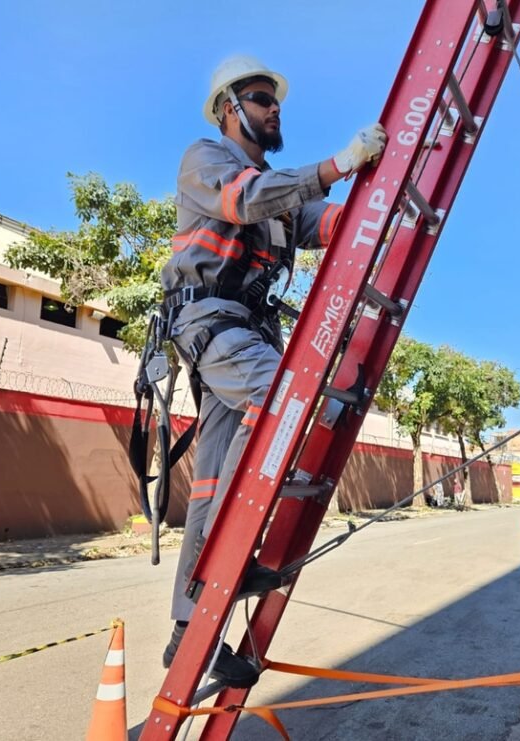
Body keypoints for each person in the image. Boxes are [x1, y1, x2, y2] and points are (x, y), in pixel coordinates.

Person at [160, 54, 387, 688]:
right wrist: (337, 165)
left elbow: (329, 222)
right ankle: (226, 559)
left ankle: (188, 633)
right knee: (282, 403)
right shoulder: (206, 160)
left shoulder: (282, 204)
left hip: (244, 331)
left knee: (209, 484)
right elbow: (244, 201)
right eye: (261, 99)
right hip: (212, 324)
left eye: (274, 99)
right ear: (229, 109)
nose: (273, 108)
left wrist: (382, 192)